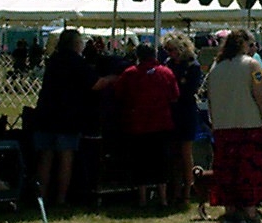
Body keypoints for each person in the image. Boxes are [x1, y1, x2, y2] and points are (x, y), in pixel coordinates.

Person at [202, 29, 262, 223]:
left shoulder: (215, 68)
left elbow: (209, 99)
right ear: (243, 43)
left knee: (227, 170)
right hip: (249, 125)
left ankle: (230, 209)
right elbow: (261, 98)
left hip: (223, 128)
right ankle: (250, 211)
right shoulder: (253, 65)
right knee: (249, 170)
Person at [31, 29, 107, 206]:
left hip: (46, 114)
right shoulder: (76, 61)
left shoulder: (53, 60)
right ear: (76, 44)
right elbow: (96, 84)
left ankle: (41, 197)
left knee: (45, 158)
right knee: (66, 158)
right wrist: (112, 78)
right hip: (67, 117)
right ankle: (61, 198)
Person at [114, 43, 178, 208]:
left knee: (140, 162)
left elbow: (118, 94)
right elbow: (174, 96)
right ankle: (163, 199)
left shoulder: (130, 74)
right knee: (161, 162)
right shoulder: (166, 72)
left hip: (138, 125)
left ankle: (142, 199)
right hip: (162, 124)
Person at [162, 32, 204, 209]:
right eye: (167, 50)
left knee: (186, 154)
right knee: (174, 155)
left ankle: (187, 192)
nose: (170, 53)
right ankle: (175, 191)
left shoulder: (192, 66)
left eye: (172, 49)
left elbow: (190, 90)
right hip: (171, 113)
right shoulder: (168, 64)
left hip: (186, 112)